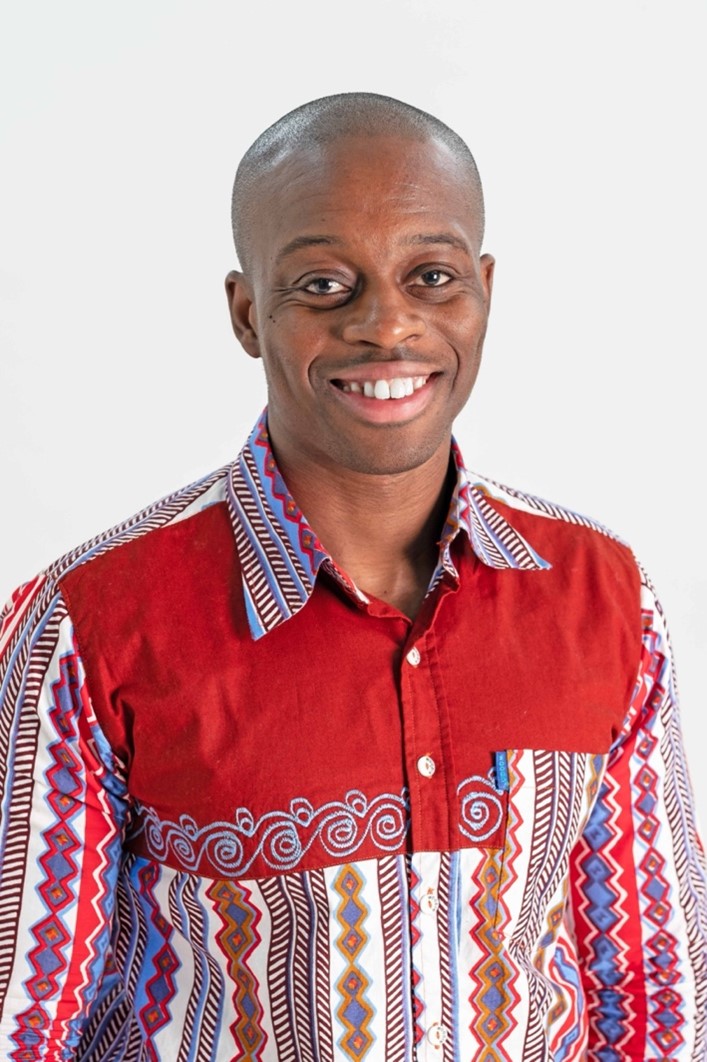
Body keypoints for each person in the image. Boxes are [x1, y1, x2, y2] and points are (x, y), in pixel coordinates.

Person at [0, 92, 704, 1061]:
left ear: (483, 290)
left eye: (431, 277)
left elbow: (651, 987)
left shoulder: (602, 595)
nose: (387, 326)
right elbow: (20, 1018)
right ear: (248, 314)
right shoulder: (87, 621)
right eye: (324, 285)